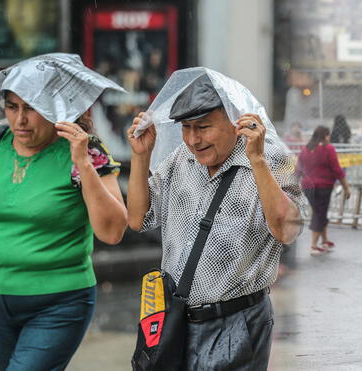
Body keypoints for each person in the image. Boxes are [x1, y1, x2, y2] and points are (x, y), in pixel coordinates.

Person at [126, 71, 303, 370]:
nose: (194, 139)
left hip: (238, 322)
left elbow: (287, 230)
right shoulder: (180, 160)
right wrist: (140, 157)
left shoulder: (272, 159)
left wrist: (257, 161)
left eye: (204, 127)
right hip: (178, 319)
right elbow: (137, 219)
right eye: (186, 127)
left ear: (235, 121)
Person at [0, 91, 127, 369]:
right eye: (12, 107)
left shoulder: (84, 149)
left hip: (59, 302)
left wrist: (83, 164)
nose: (20, 119)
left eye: (31, 109)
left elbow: (112, 232)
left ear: (54, 108)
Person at [295, 126, 351, 254]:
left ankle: (324, 240)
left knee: (319, 212)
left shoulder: (305, 149)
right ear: (326, 135)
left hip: (307, 187)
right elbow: (337, 170)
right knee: (319, 214)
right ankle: (314, 245)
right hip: (324, 186)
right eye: (329, 135)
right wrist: (346, 187)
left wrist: (293, 185)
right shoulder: (328, 149)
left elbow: (298, 169)